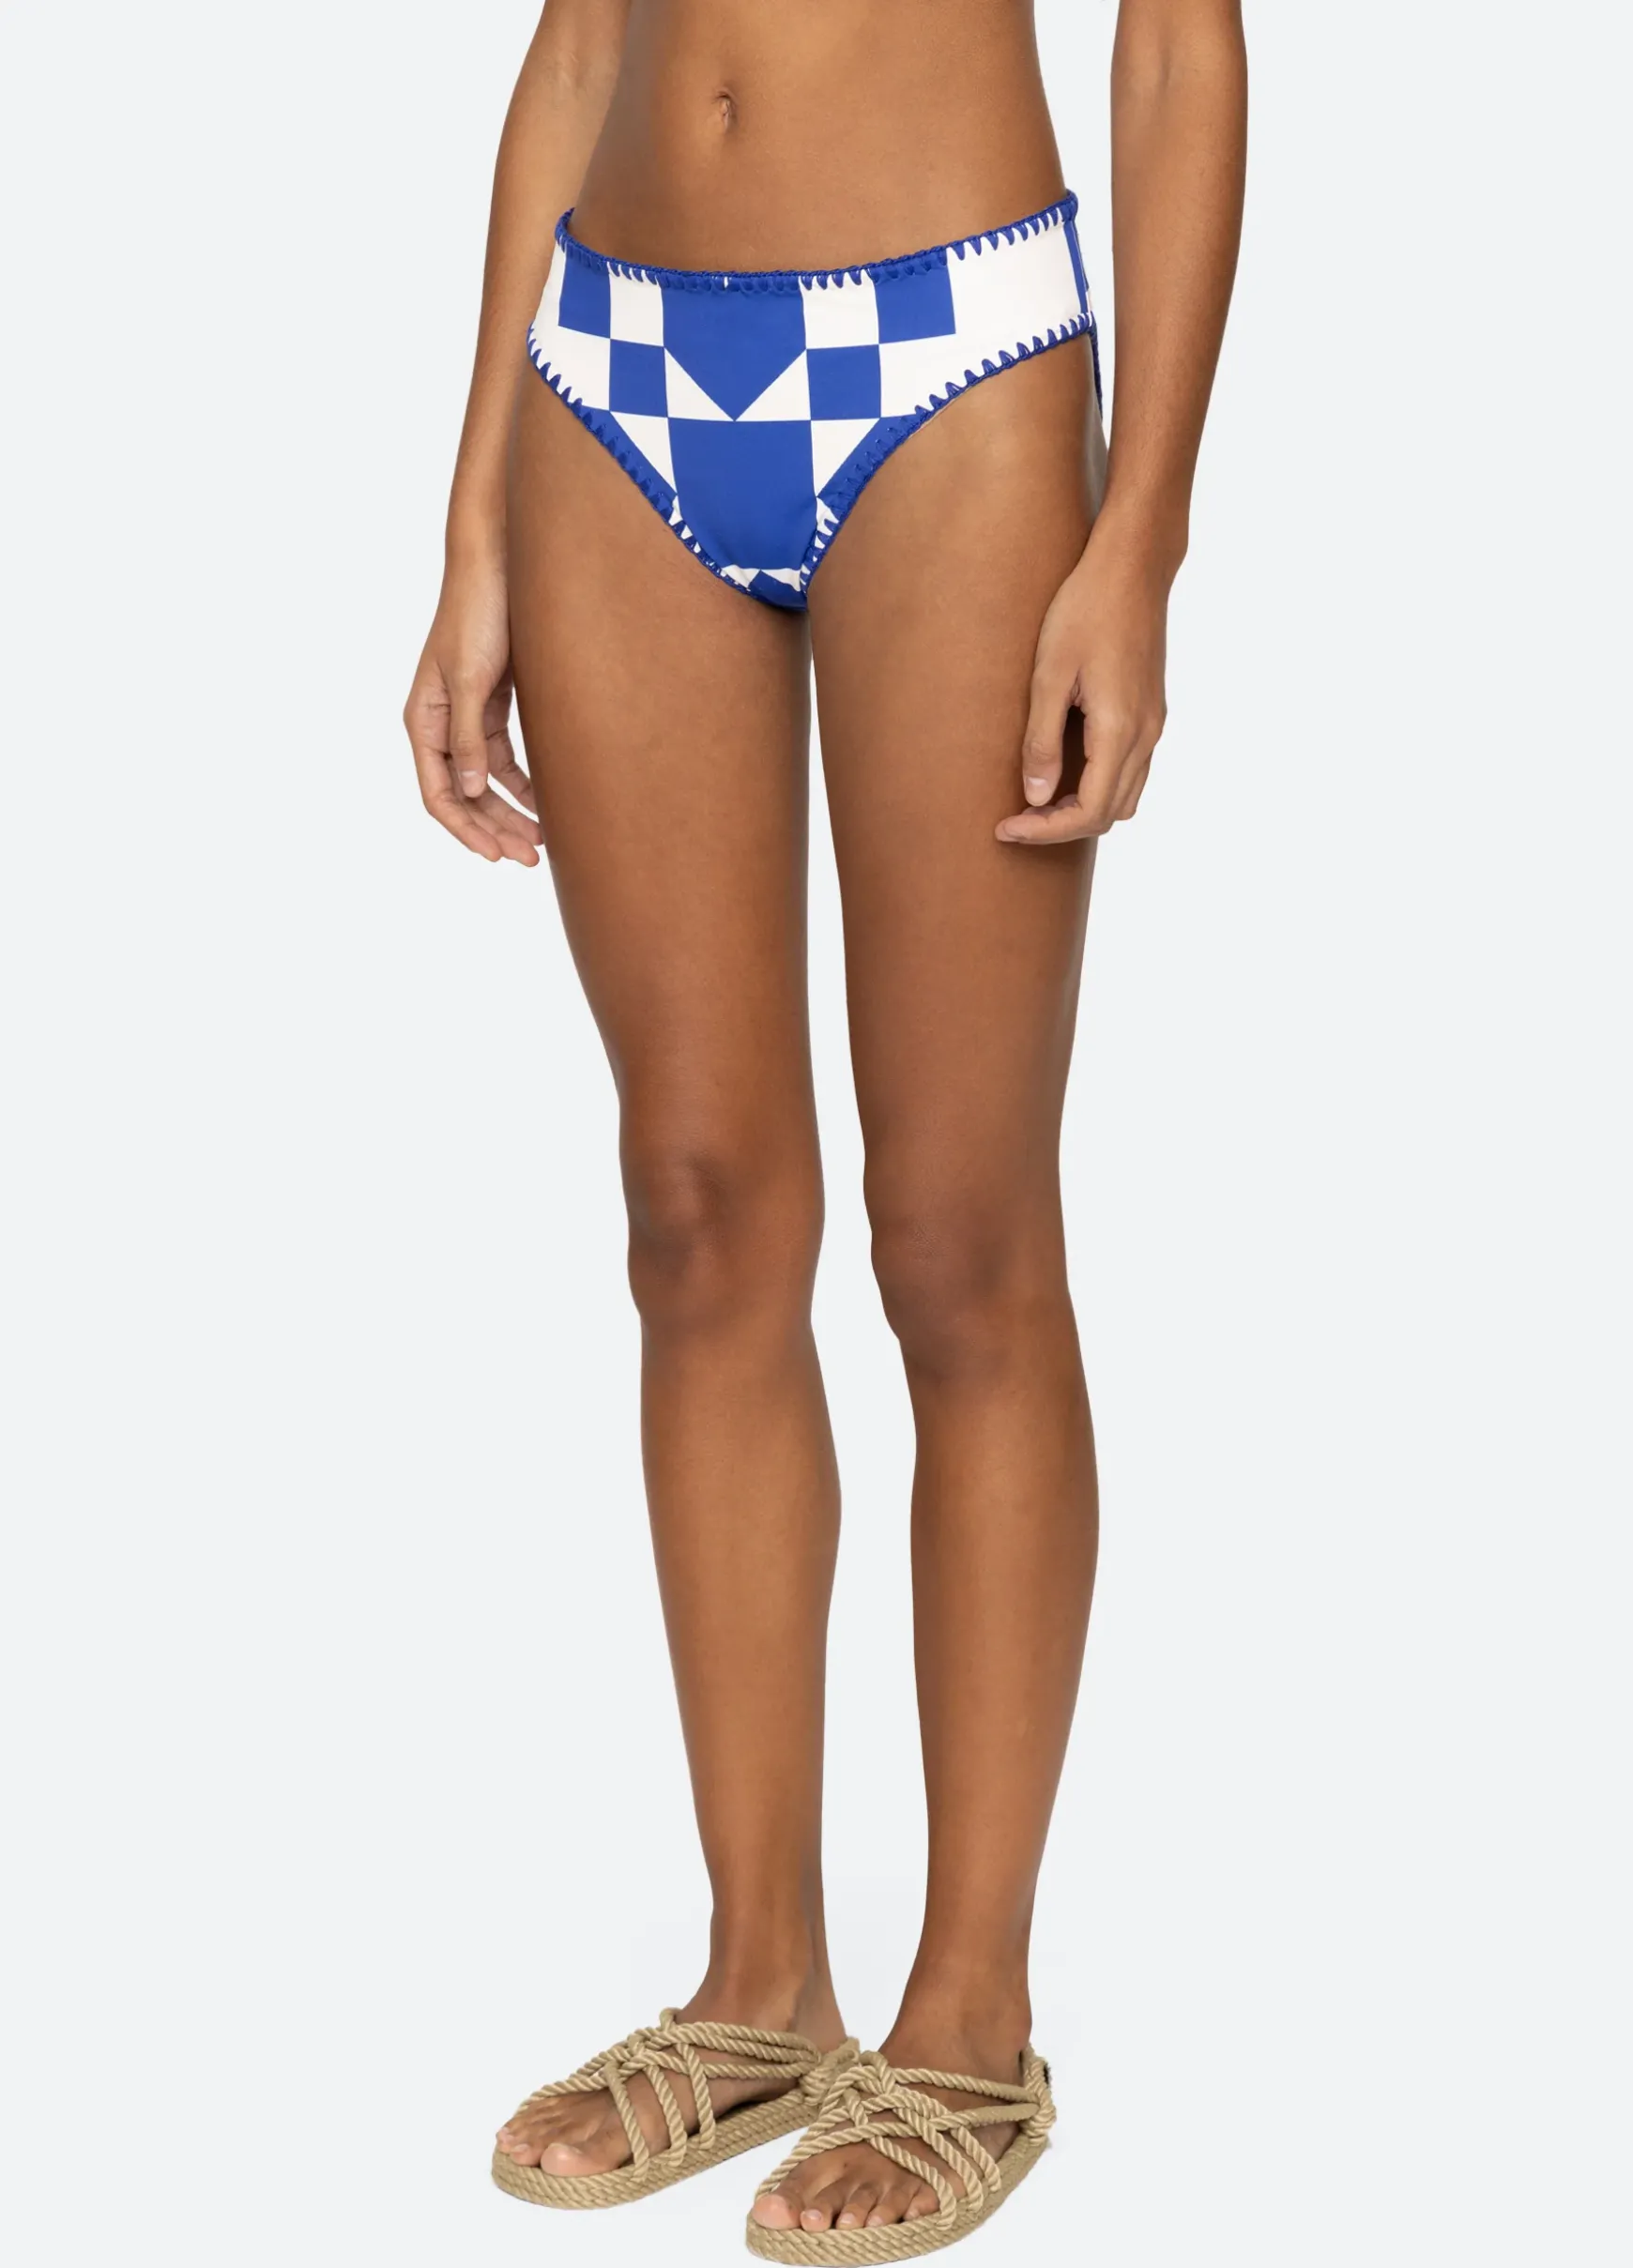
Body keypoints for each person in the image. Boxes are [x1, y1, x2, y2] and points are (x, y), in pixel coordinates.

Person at [403, 0, 1245, 2253]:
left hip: (952, 360)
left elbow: (1179, 46)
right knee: (693, 1213)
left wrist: (1143, 538)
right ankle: (759, 1978)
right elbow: (578, 40)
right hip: (612, 371)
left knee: (956, 1238)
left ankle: (968, 2014)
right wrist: (473, 515)